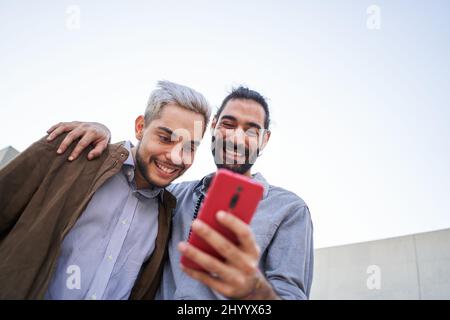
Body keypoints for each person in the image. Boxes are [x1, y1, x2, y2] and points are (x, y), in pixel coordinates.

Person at [46, 86, 314, 300]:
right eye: (228, 124)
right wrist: (103, 134)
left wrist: (253, 291)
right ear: (212, 129)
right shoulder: (172, 194)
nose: (235, 138)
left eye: (251, 131)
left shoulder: (289, 210)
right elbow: (135, 169)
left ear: (264, 140)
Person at [0, 80, 211, 299]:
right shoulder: (72, 152)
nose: (175, 156)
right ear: (140, 127)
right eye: (165, 138)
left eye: (188, 147)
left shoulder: (168, 213)